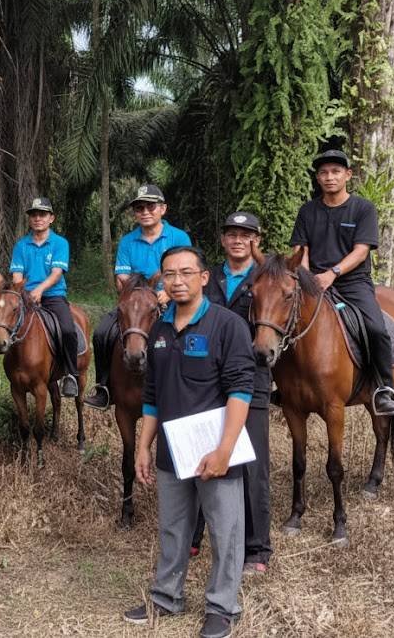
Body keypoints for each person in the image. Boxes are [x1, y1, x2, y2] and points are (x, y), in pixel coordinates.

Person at [123, 246, 254, 638]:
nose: (176, 280)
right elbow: (152, 394)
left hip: (216, 449)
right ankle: (166, 596)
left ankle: (222, 606)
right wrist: (144, 446)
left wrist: (225, 450)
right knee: (173, 528)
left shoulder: (227, 325)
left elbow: (241, 391)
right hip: (171, 450)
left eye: (185, 273)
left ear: (203, 278)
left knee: (225, 531)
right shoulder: (160, 329)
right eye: (169, 274)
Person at [290, 149, 394, 416]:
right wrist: (306, 278)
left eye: (336, 172)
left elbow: (361, 250)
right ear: (318, 178)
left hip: (353, 283)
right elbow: (299, 249)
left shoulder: (363, 208)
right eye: (324, 173)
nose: (329, 177)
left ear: (347, 175)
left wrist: (333, 273)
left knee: (376, 329)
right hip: (313, 281)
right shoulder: (307, 210)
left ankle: (384, 388)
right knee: (284, 319)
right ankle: (284, 385)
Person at [200, 211, 272, 575]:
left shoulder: (266, 278)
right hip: (208, 378)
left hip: (251, 377)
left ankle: (257, 549)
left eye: (246, 234)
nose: (238, 240)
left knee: (252, 463)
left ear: (256, 240)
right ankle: (196, 535)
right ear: (223, 239)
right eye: (231, 233)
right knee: (202, 452)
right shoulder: (208, 277)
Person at [85, 184, 192, 410]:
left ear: (163, 209)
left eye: (150, 206)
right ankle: (104, 387)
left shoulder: (179, 237)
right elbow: (121, 278)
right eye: (139, 208)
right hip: (136, 303)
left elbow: (188, 272)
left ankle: (191, 388)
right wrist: (135, 294)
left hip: (173, 299)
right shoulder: (127, 241)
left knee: (192, 337)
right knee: (102, 332)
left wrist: (169, 292)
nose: (145, 211)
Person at [8, 197, 79, 397]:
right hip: (25, 298)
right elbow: (17, 275)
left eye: (42, 214)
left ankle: (71, 374)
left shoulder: (59, 243)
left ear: (51, 218)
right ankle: (13, 369)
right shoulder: (21, 246)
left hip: (53, 296)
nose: (37, 218)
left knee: (67, 330)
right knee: (6, 326)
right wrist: (22, 292)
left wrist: (39, 290)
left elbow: (56, 274)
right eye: (34, 215)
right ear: (30, 219)